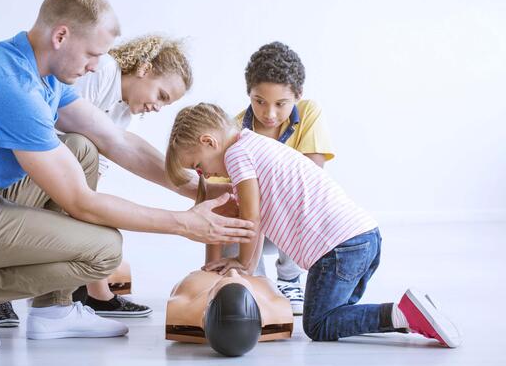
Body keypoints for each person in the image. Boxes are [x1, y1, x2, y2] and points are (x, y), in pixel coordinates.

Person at [0, 0, 254, 351]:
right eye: (92, 54)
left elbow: (115, 140)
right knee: (104, 249)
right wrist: (184, 223)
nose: (95, 66)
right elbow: (80, 202)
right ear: (61, 36)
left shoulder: (39, 72)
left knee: (81, 148)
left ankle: (54, 311)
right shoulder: (14, 90)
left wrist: (197, 189)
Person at [164, 102, 461, 348]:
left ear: (209, 142)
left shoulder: (237, 154)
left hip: (338, 249)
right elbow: (259, 220)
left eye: (197, 166)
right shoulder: (255, 145)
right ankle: (417, 315)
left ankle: (403, 314)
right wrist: (248, 266)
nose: (204, 174)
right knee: (340, 316)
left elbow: (251, 218)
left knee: (319, 325)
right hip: (364, 236)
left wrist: (242, 262)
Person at [0, 34, 191, 324]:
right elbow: (57, 136)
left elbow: (92, 177)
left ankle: (79, 297)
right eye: (161, 96)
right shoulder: (102, 70)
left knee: (88, 204)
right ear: (144, 70)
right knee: (81, 158)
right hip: (18, 174)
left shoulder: (122, 112)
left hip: (51, 178)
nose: (157, 107)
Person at [214, 41, 335, 315]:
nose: (269, 114)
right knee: (231, 221)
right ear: (249, 93)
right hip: (250, 221)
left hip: (289, 220)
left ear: (298, 95)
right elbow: (226, 200)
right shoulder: (233, 130)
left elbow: (311, 178)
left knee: (293, 200)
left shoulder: (309, 112)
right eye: (259, 101)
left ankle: (289, 280)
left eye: (280, 104)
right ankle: (255, 284)